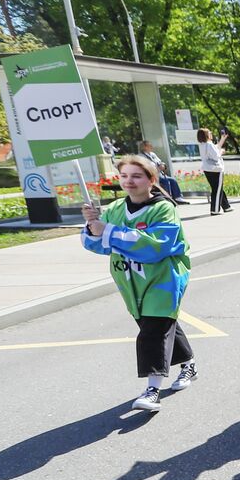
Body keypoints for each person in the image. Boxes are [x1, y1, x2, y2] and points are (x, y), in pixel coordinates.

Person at [80, 154, 196, 413]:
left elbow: (157, 245)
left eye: (136, 176)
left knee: (153, 331)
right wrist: (92, 226)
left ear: (151, 180)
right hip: (131, 282)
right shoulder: (115, 210)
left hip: (163, 279)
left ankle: (152, 390)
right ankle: (189, 364)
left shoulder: (164, 208)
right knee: (162, 324)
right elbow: (95, 245)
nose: (129, 181)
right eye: (124, 176)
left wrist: (108, 232)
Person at [197, 128, 232, 215]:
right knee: (217, 189)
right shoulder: (209, 144)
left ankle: (226, 206)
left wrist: (222, 139)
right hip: (215, 169)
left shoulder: (202, 144)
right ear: (206, 135)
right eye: (209, 133)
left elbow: (216, 148)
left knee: (217, 188)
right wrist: (222, 152)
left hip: (207, 169)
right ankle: (215, 209)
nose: (211, 134)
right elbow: (216, 155)